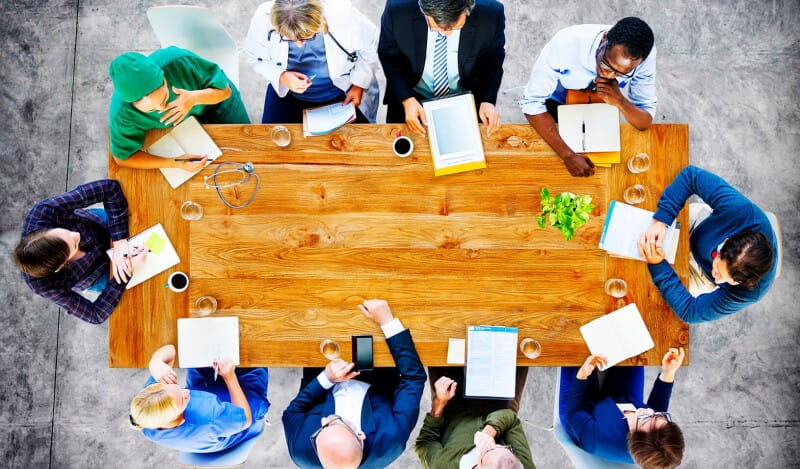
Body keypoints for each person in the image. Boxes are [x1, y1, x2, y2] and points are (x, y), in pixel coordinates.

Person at [282, 299, 427, 468]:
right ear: (360, 435)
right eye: (333, 422)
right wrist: (388, 321)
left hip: (326, 365)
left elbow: (293, 412)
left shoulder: (301, 451)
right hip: (378, 372)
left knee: (319, 306)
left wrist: (325, 379)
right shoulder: (391, 440)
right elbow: (413, 379)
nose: (323, 420)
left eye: (319, 431)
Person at [637, 166, 777, 323]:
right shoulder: (740, 211)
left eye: (726, 280)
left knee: (645, 286)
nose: (717, 281)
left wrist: (657, 264)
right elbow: (691, 176)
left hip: (700, 274)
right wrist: (661, 219)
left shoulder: (750, 293)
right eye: (717, 268)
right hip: (697, 227)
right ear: (725, 241)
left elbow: (691, 312)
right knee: (645, 205)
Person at [520, 18, 656, 177]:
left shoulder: (642, 56)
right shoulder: (565, 43)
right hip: (557, 101)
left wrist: (620, 101)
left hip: (603, 107)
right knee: (549, 166)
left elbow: (644, 121)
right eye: (607, 64)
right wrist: (568, 155)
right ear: (604, 40)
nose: (609, 75)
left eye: (622, 74)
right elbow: (531, 104)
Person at [13, 179, 145, 324]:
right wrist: (126, 271)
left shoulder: (42, 212)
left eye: (67, 232)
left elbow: (109, 188)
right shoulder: (44, 285)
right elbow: (96, 314)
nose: (76, 235)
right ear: (60, 266)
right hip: (97, 274)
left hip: (100, 225)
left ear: (45, 230)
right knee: (140, 294)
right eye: (74, 244)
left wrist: (119, 242)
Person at [108, 46, 250, 170]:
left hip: (219, 105)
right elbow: (123, 158)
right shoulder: (122, 114)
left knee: (245, 148)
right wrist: (174, 163)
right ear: (132, 105)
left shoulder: (180, 61)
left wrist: (194, 98)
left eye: (164, 98)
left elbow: (225, 91)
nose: (164, 108)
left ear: (164, 78)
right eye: (152, 110)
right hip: (181, 131)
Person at [378, 0, 505, 135]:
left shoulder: (491, 14)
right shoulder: (397, 9)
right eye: (437, 27)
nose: (446, 33)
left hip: (465, 101)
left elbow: (493, 61)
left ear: (467, 8)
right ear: (423, 8)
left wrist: (487, 100)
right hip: (411, 98)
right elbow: (389, 56)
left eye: (455, 26)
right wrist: (407, 100)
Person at [244, 0, 380, 124]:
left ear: (319, 22)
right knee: (272, 144)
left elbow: (372, 45)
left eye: (306, 38)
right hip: (288, 95)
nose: (299, 45)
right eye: (289, 38)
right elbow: (253, 56)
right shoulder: (263, 17)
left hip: (343, 93)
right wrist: (281, 76)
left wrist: (358, 84)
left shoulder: (344, 15)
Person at [129, 344, 270, 453]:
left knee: (198, 353)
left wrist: (156, 362)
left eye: (177, 386)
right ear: (173, 417)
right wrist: (229, 376)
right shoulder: (209, 421)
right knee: (253, 354)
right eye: (182, 399)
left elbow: (170, 350)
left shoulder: (149, 410)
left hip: (204, 394)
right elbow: (245, 419)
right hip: (238, 414)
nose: (186, 392)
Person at [560, 349, 686, 468]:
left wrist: (583, 375)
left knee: (575, 353)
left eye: (645, 419)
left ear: (631, 435)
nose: (649, 410)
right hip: (621, 402)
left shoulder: (598, 440)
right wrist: (668, 373)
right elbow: (656, 410)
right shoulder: (653, 428)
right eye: (659, 417)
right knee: (633, 353)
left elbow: (573, 412)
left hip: (581, 409)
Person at [415, 368, 535, 469]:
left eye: (488, 450)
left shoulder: (443, 465)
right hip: (500, 405)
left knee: (442, 347)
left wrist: (439, 403)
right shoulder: (524, 466)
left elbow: (425, 442)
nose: (494, 444)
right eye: (505, 447)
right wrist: (490, 431)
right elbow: (511, 418)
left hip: (452, 405)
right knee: (517, 347)